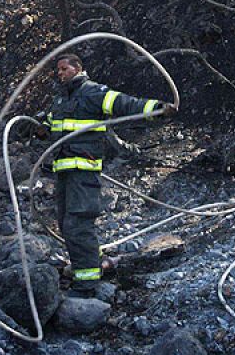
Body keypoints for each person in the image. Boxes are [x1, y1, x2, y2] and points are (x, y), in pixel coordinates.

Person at [43, 53, 173, 298]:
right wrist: (39, 126)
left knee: (78, 223)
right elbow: (52, 126)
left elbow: (125, 103)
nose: (60, 74)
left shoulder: (93, 92)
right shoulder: (61, 99)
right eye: (57, 70)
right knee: (66, 223)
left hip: (84, 171)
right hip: (64, 171)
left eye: (64, 69)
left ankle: (87, 284)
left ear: (77, 68)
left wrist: (156, 108)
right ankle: (93, 263)